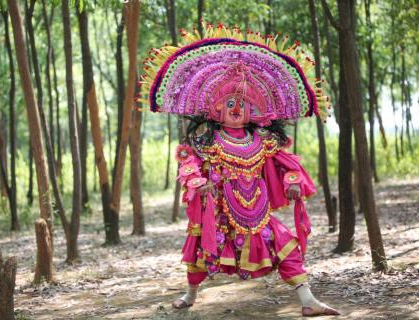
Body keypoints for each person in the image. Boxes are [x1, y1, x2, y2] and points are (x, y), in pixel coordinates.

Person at [138, 23, 340, 317]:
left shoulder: (263, 140)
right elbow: (188, 162)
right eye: (229, 103)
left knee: (285, 245)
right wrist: (197, 183)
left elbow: (286, 164)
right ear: (216, 109)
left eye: (242, 104)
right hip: (218, 209)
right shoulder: (207, 140)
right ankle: (191, 292)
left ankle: (308, 300)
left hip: (258, 210)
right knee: (199, 252)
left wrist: (292, 183)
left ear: (253, 111)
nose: (235, 109)